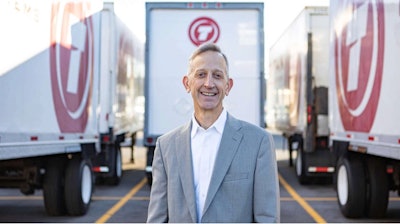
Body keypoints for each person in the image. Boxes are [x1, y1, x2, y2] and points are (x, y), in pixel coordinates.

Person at [146, 42, 280, 223]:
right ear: (187, 83)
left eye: (217, 76)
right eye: (201, 75)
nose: (209, 83)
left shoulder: (258, 142)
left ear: (228, 86)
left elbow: (267, 218)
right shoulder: (165, 146)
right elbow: (157, 218)